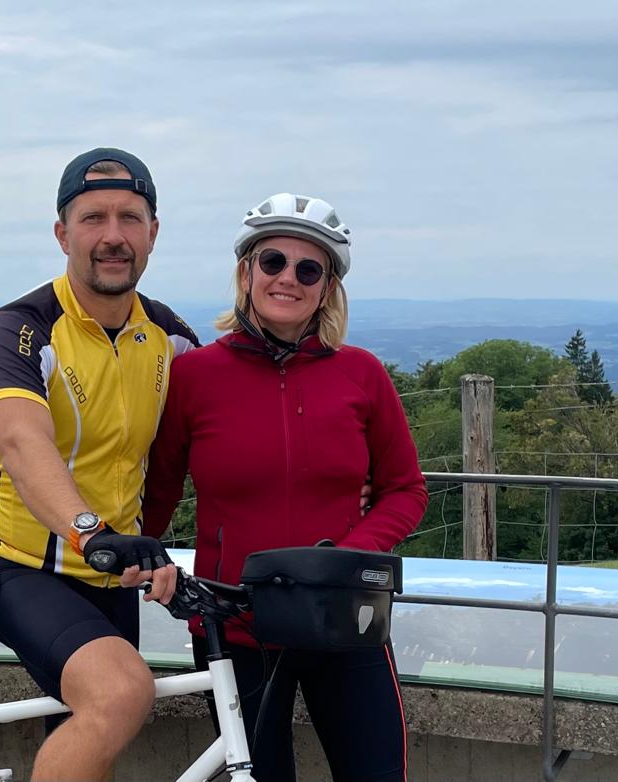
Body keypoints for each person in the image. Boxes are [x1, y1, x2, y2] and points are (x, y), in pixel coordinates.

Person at [143, 192, 428, 782]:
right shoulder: (193, 377)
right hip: (237, 618)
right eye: (272, 261)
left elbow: (405, 489)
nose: (288, 279)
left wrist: (348, 554)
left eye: (309, 269)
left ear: (327, 287)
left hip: (344, 612)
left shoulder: (363, 375)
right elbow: (159, 490)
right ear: (246, 272)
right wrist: (136, 553)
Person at [0, 148, 199, 781]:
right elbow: (22, 444)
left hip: (115, 576)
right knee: (122, 692)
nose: (113, 236)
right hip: (30, 571)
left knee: (90, 740)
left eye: (130, 218)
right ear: (61, 232)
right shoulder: (20, 329)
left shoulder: (170, 335)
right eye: (93, 217)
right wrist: (90, 532)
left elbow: (217, 437)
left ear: (153, 232)